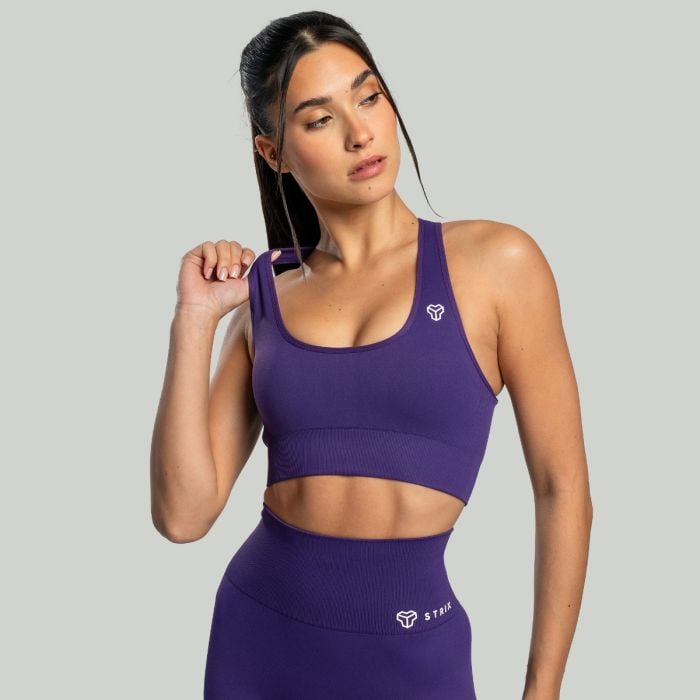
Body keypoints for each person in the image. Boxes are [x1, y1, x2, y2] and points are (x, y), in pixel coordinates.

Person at [150, 10, 593, 700]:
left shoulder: (498, 264)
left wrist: (543, 692)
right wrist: (195, 320)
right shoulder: (265, 300)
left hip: (416, 655)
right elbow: (183, 516)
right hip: (260, 642)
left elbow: (561, 489)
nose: (360, 133)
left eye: (369, 97)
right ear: (274, 152)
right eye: (319, 119)